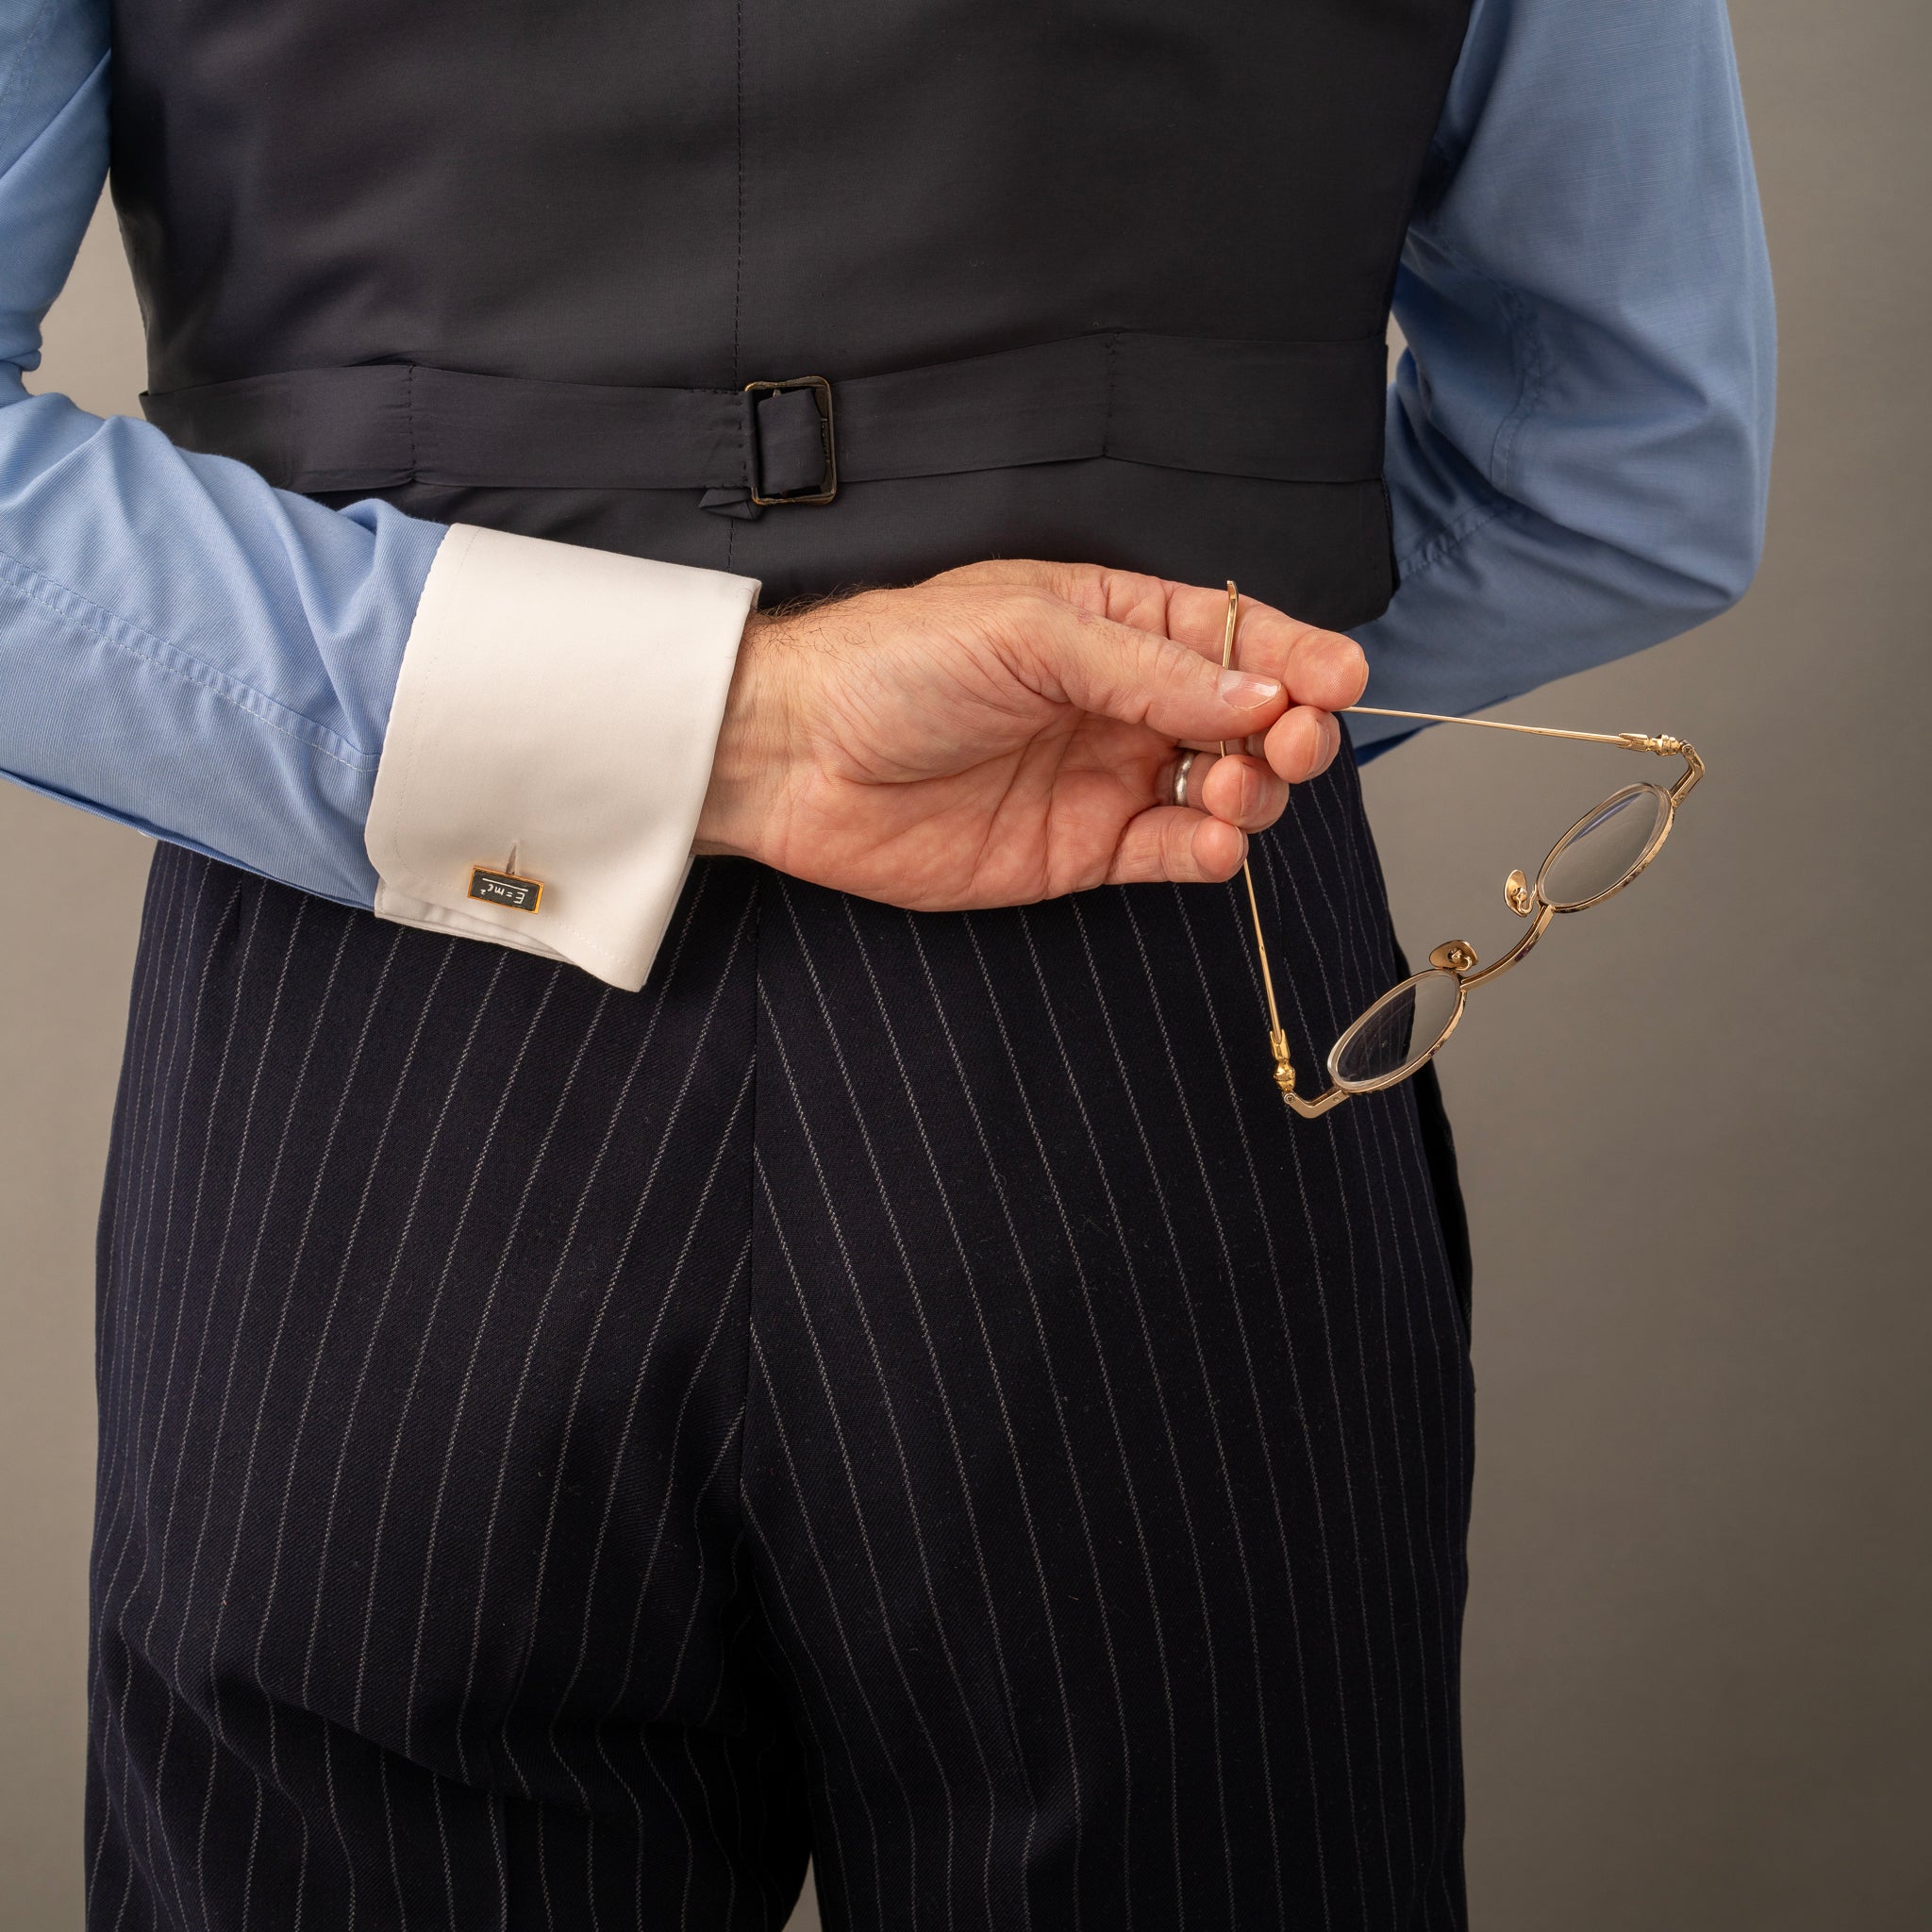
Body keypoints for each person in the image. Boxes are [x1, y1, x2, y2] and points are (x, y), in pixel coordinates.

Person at [0, 0, 1773, 1924]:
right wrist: (1146, 712)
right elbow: (1626, 467)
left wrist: (636, 731)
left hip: (383, 1059)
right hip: (1151, 1050)